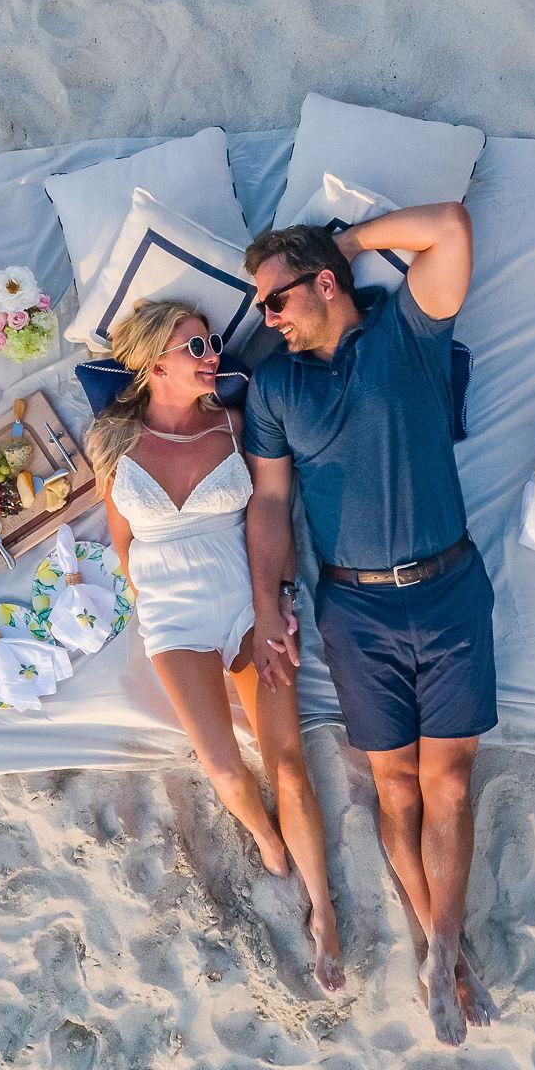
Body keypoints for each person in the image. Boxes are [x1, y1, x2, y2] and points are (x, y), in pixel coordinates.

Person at [241, 206, 498, 1045]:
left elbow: (450, 229)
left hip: (449, 588)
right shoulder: (276, 387)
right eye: (259, 309)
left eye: (274, 300)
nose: (265, 319)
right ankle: (443, 953)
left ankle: (446, 944)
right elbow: (271, 502)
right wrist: (265, 598)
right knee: (396, 788)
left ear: (324, 284)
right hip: (354, 610)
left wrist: (345, 245)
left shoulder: (408, 335)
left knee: (450, 784)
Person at [90, 300, 345, 993]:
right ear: (153, 362)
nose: (213, 355)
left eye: (212, 341)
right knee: (226, 768)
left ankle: (324, 911)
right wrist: (152, 611)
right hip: (174, 619)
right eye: (196, 344)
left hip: (246, 607)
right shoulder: (114, 442)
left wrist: (278, 600)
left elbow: (275, 511)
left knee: (288, 762)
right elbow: (123, 543)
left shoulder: (238, 425)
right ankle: (265, 835)